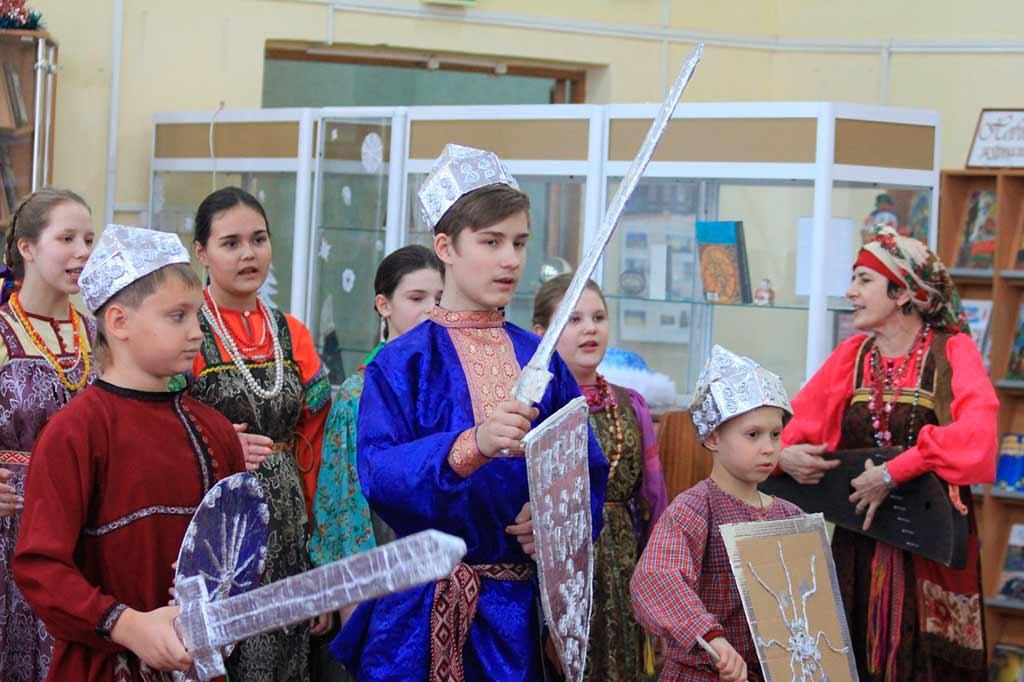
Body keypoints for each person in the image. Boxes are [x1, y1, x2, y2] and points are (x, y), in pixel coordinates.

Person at [333, 144, 609, 681]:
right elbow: (379, 473)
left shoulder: (541, 359)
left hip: (515, 618)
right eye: (491, 241)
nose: (510, 259)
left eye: (519, 243)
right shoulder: (401, 364)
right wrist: (472, 445)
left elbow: (585, 471)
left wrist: (554, 523)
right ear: (446, 247)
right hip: (417, 615)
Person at [12, 225, 246, 681]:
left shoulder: (214, 430)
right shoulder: (75, 432)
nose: (197, 333)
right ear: (119, 323)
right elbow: (40, 566)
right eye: (177, 316)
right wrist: (125, 624)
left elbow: (235, 551)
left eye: (197, 316)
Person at [777, 225, 997, 681]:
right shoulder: (852, 356)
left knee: (929, 661)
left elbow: (977, 439)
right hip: (861, 539)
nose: (850, 292)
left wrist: (896, 471)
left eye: (864, 280)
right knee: (852, 649)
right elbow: (793, 427)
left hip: (931, 541)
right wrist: (783, 455)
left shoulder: (952, 352)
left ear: (903, 292)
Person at [187, 186, 332, 682]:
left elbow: (316, 439)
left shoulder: (292, 332)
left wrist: (316, 551)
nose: (248, 254)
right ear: (201, 252)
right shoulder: (186, 329)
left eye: (259, 239)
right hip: (217, 526)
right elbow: (158, 427)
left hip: (289, 523)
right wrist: (216, 443)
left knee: (287, 658)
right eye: (230, 243)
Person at [309, 244, 443, 681]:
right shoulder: (357, 395)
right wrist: (355, 609)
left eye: (440, 299)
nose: (431, 310)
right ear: (383, 305)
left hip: (452, 576)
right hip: (383, 585)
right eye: (417, 298)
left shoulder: (453, 387)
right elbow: (344, 510)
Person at [631, 345, 802, 682]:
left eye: (776, 434)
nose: (768, 447)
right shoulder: (695, 508)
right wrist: (711, 637)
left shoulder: (790, 516)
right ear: (712, 438)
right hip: (702, 674)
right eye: (753, 435)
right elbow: (656, 577)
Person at [532, 273, 668, 682]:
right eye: (573, 320)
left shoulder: (631, 404)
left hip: (624, 566)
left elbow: (655, 499)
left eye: (598, 317)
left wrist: (661, 580)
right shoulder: (534, 407)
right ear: (541, 333)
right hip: (558, 569)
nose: (590, 328)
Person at [0, 188, 97, 682]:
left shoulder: (101, 334)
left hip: (87, 525)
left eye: (89, 240)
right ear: (27, 247)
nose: (83, 252)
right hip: (11, 529)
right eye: (67, 239)